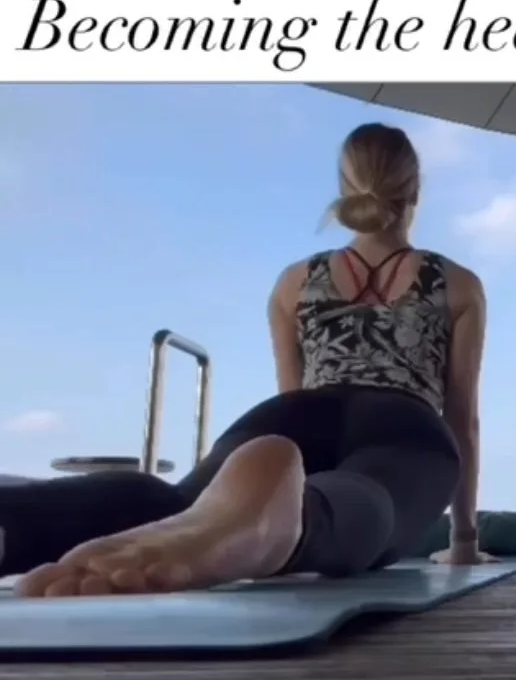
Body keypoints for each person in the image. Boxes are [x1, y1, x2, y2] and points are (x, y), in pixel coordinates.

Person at [0, 122, 486, 599]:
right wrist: (464, 539)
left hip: (294, 415)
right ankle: (285, 527)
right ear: (415, 189)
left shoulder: (295, 281)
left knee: (182, 502)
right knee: (364, 495)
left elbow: (293, 395)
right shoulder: (459, 284)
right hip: (403, 422)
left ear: (346, 187)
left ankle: (20, 518)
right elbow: (463, 419)